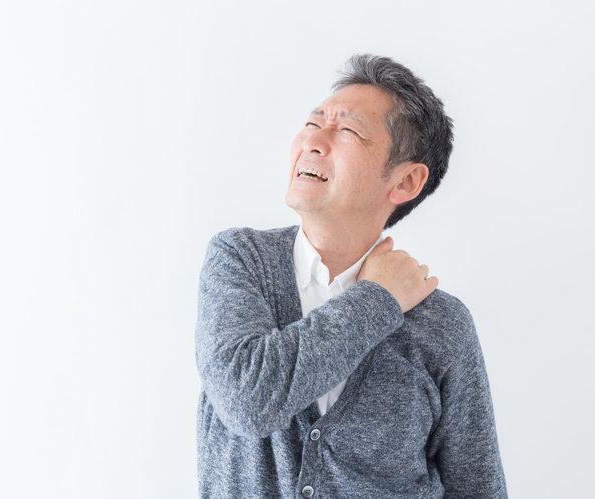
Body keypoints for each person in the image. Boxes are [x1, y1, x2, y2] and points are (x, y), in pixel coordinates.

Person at [195, 53, 508, 498]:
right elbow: (247, 401)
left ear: (405, 182)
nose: (314, 141)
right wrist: (377, 298)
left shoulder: (442, 325)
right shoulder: (242, 261)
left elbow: (477, 487)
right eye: (312, 122)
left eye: (347, 131)